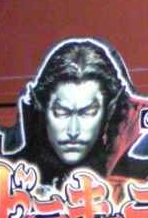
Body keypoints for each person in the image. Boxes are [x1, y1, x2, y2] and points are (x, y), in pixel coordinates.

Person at [10, 38, 132, 186]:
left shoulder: (129, 175)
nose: (73, 131)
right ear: (41, 106)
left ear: (110, 110)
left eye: (88, 112)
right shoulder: (8, 173)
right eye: (61, 112)